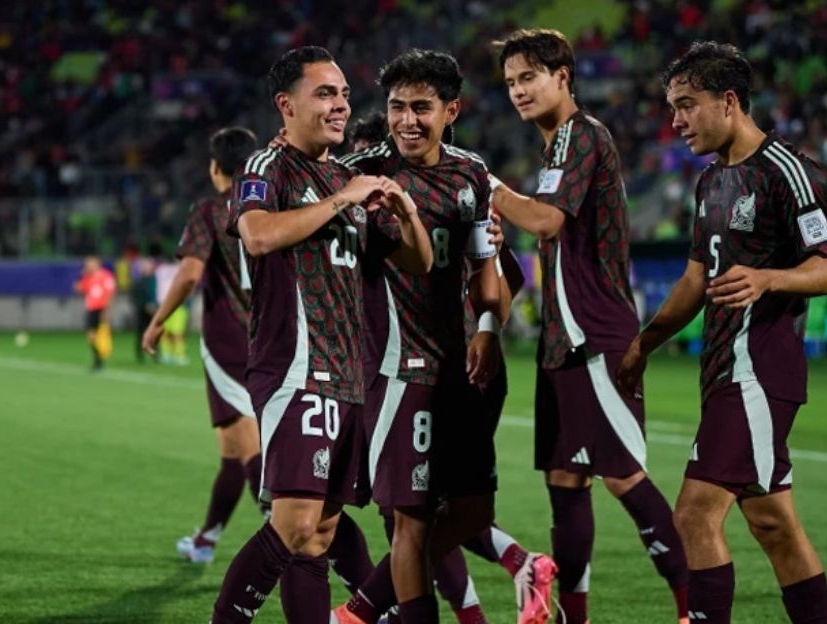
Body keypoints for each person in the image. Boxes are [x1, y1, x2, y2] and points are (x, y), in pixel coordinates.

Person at [617, 41, 827, 624]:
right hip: (723, 372)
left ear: (730, 102)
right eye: (673, 107)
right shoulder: (711, 183)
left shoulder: (788, 172)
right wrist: (646, 342)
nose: (676, 121)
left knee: (693, 515)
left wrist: (768, 278)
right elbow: (696, 280)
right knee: (774, 525)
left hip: (760, 372)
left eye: (687, 105)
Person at [209, 46, 432, 624]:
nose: (340, 105)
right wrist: (342, 200)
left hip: (349, 374)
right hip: (295, 368)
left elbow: (419, 263)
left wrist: (405, 212)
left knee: (321, 534)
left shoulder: (346, 176)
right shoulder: (268, 167)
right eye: (325, 94)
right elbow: (255, 235)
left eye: (344, 95)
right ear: (286, 105)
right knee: (294, 525)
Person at [332, 49, 552, 624]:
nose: (407, 120)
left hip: (464, 369)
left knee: (473, 511)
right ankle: (376, 612)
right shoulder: (362, 175)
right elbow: (402, 258)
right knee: (410, 519)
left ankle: (363, 609)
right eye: (397, 106)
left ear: (450, 110)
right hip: (399, 370)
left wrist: (487, 328)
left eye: (421, 108)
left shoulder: (471, 174)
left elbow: (490, 268)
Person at [488, 29, 689, 624]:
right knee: (565, 480)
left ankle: (692, 611)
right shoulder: (556, 148)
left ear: (562, 78)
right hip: (560, 344)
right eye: (510, 83)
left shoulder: (582, 135)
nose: (519, 91)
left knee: (622, 475)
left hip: (596, 337)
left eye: (529, 77)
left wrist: (485, 185)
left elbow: (546, 220)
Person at [142, 126, 264, 563]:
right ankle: (207, 539)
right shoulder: (272, 207)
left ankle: (298, 541)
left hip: (230, 342)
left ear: (216, 168)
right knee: (233, 451)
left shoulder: (211, 211)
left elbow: (191, 273)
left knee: (249, 451)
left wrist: (158, 321)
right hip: (275, 338)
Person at [73, 256, 116, 371]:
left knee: (101, 334)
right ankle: (97, 359)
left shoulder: (106, 275)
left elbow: (110, 292)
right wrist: (82, 276)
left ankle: (100, 359)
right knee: (91, 335)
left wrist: (107, 309)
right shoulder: (88, 277)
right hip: (91, 308)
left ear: (97, 263)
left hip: (101, 308)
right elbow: (78, 288)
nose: (88, 265)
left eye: (90, 263)